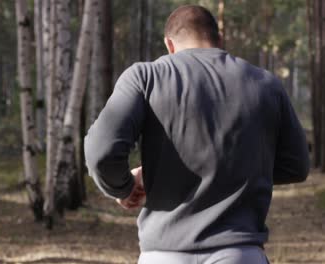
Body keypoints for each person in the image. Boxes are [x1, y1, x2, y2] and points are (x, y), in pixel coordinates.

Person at [84, 5, 309, 264]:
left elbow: (101, 151)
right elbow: (296, 165)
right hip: (239, 254)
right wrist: (237, 171)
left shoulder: (146, 77)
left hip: (163, 255)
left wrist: (124, 187)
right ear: (219, 40)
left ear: (169, 44)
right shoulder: (265, 84)